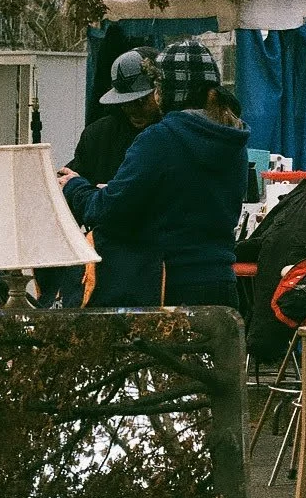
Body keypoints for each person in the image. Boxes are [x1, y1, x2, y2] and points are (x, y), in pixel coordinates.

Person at [59, 40, 249, 307]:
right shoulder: (233, 138)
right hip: (224, 285)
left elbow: (107, 210)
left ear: (165, 90)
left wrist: (75, 186)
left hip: (170, 285)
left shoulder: (160, 139)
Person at [37, 48, 162, 307]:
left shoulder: (167, 137)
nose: (133, 109)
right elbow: (67, 188)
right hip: (103, 268)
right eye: (126, 102)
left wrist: (97, 194)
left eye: (140, 100)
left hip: (156, 268)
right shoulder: (98, 135)